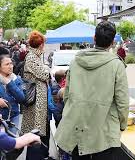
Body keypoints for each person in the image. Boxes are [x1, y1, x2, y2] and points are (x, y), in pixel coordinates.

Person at [55, 21, 129, 160]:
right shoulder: (116, 65)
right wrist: (122, 125)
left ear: (94, 38)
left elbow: (67, 95)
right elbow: (122, 102)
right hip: (104, 131)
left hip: (76, 127)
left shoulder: (76, 61)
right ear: (113, 42)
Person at [21, 30, 50, 160]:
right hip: (35, 100)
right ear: (40, 44)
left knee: (38, 131)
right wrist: (47, 71)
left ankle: (39, 156)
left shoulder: (35, 56)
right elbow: (44, 75)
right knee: (35, 130)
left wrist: (46, 70)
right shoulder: (32, 57)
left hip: (38, 99)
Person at [0, 55, 25, 134]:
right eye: (7, 64)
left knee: (12, 143)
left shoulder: (16, 78)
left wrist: (9, 83)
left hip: (13, 116)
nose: (10, 66)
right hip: (1, 117)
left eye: (11, 63)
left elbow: (21, 98)